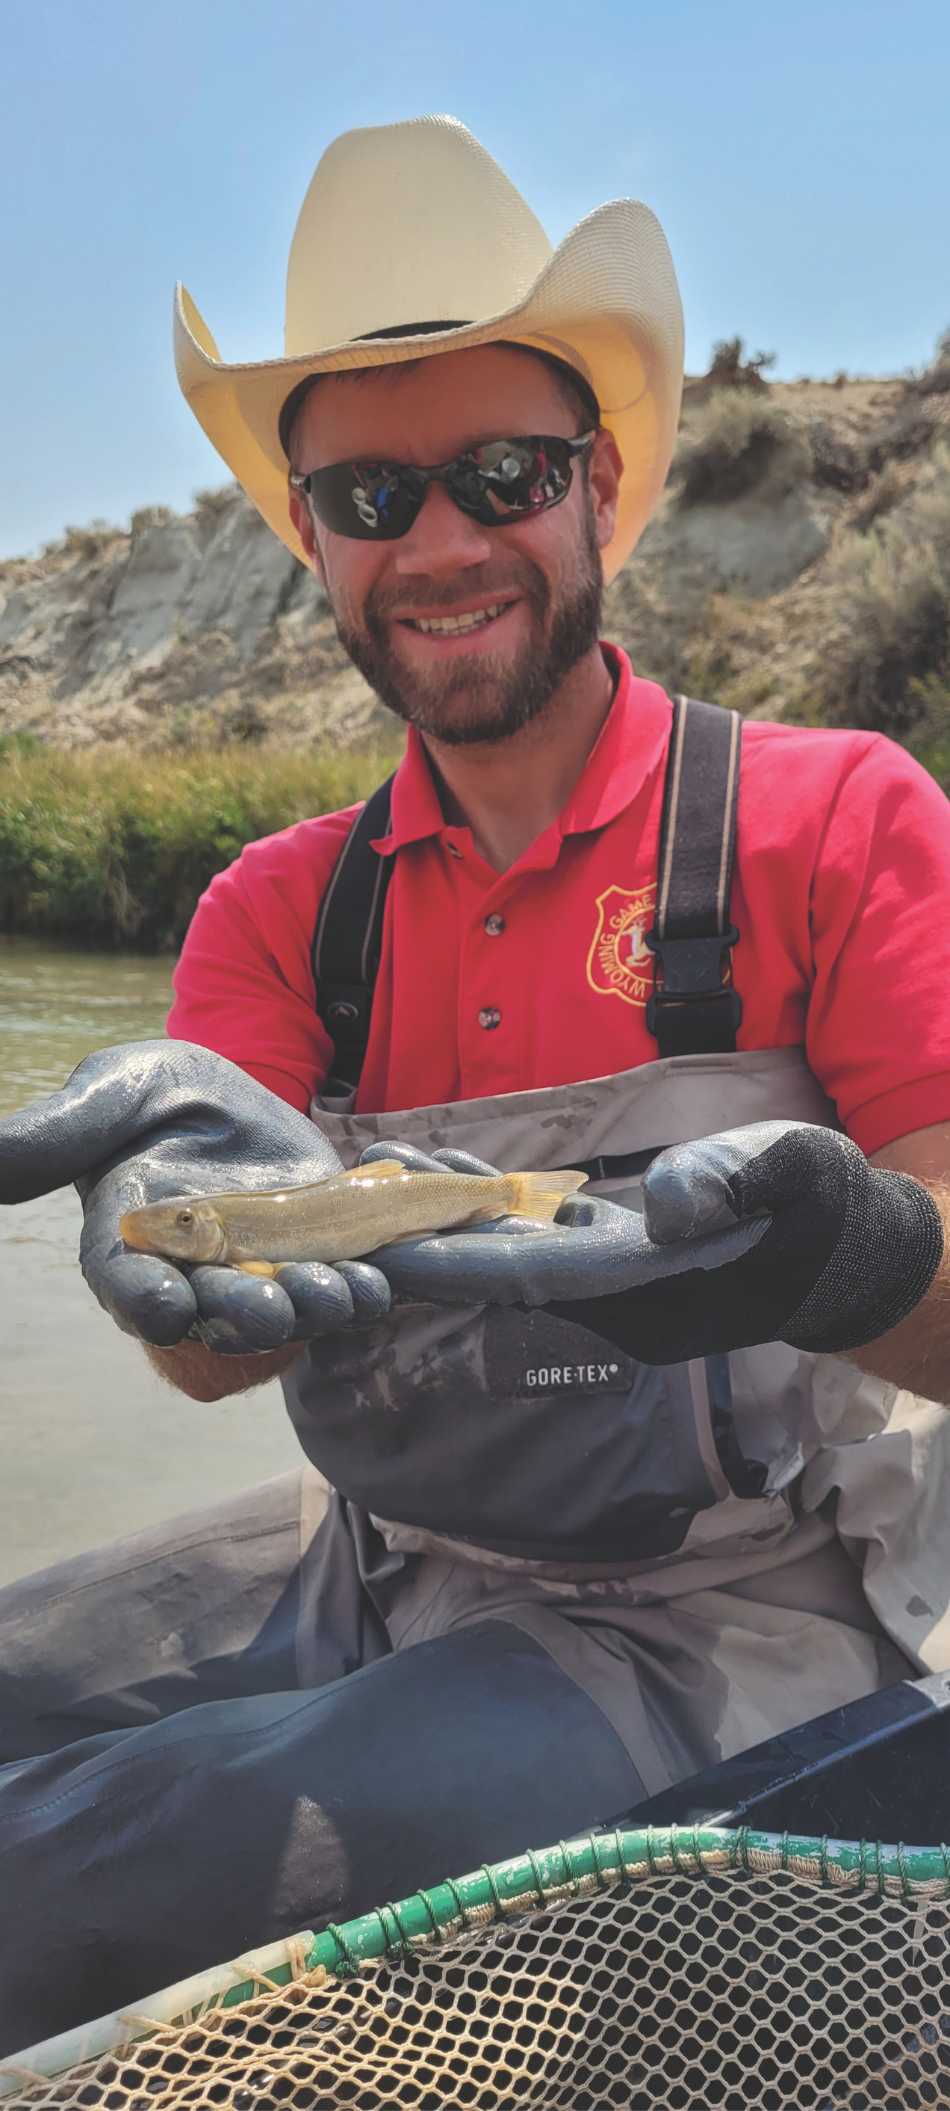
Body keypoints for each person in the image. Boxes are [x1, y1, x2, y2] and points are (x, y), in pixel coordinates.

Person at [1, 113, 950, 2054]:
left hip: (734, 1619)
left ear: (596, 487)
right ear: (308, 537)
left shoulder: (830, 822)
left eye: (500, 473)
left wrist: (832, 1257)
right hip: (373, 1557)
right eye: (367, 492)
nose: (436, 542)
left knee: (82, 1865)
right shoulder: (280, 913)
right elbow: (205, 1360)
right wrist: (160, 1247)